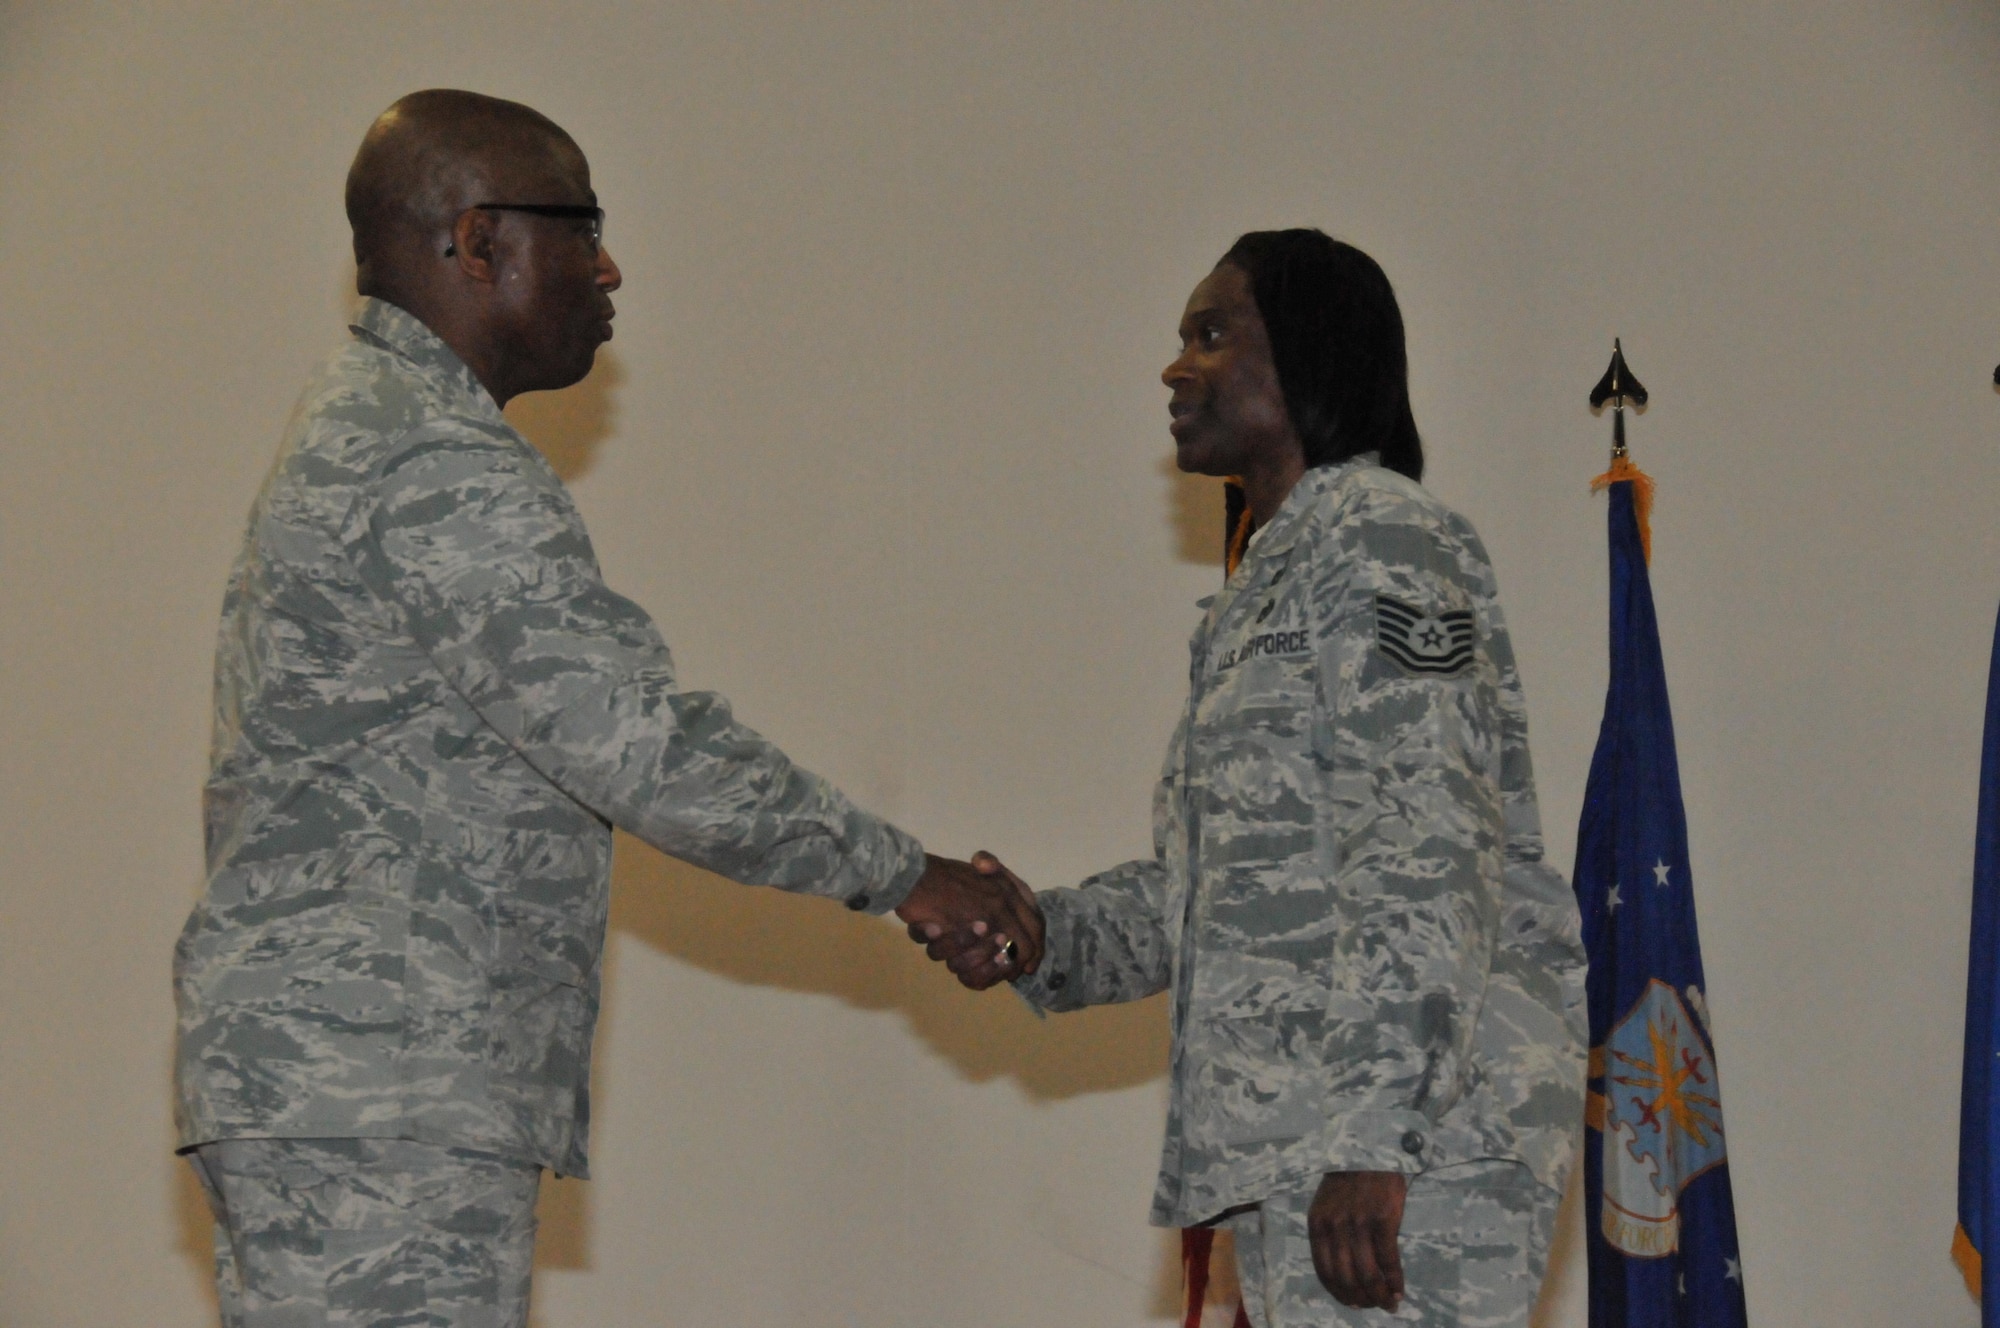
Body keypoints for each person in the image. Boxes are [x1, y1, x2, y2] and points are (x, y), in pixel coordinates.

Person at [172, 89, 1041, 1328]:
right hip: (379, 1091)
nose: (610, 263)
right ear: (477, 241)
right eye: (581, 224)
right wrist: (908, 873)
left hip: (355, 1086)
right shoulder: (428, 458)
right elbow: (642, 744)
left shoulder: (379, 426)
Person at [926, 230, 1586, 1327]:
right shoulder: (1261, 587)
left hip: (1408, 1154)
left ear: (1311, 356)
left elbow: (1425, 846)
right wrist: (1039, 934)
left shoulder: (1385, 536)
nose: (1174, 367)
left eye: (1211, 332)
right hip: (1298, 1156)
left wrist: (1376, 1135)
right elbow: (1206, 890)